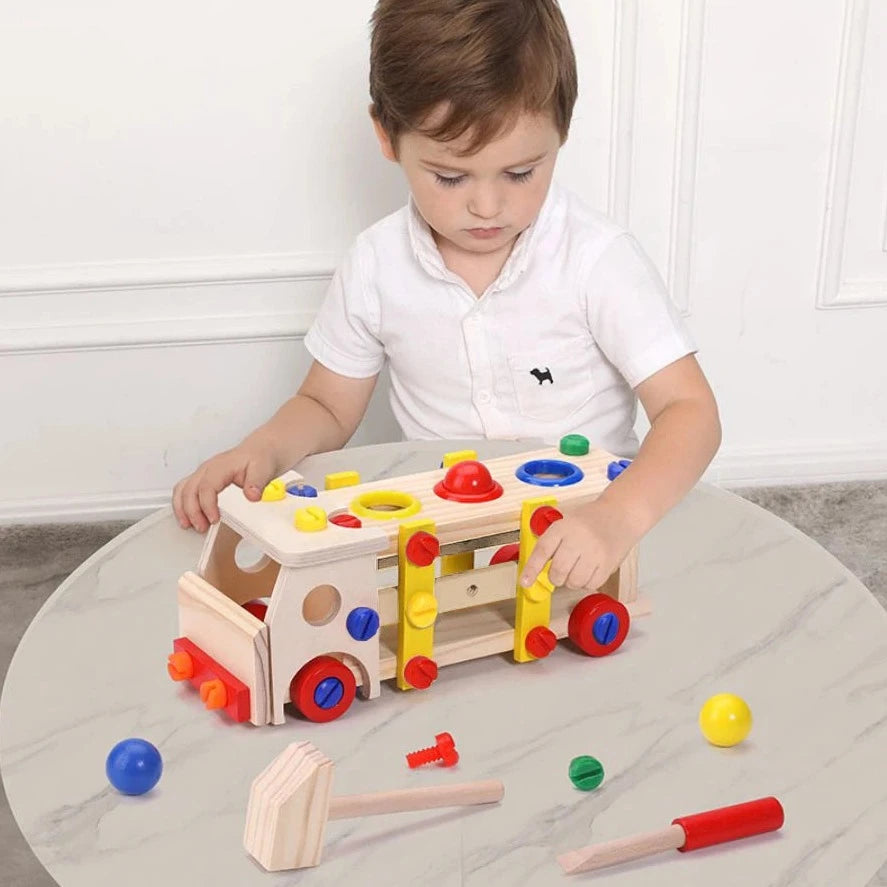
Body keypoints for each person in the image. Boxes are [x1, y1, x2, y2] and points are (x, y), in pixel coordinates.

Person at [172, 0, 721, 593]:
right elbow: (328, 406)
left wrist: (618, 517)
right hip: (446, 537)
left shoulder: (596, 259)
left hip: (588, 536)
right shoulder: (376, 265)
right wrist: (263, 448)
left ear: (562, 131)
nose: (488, 207)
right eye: (451, 177)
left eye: (520, 173)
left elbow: (690, 412)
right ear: (386, 136)